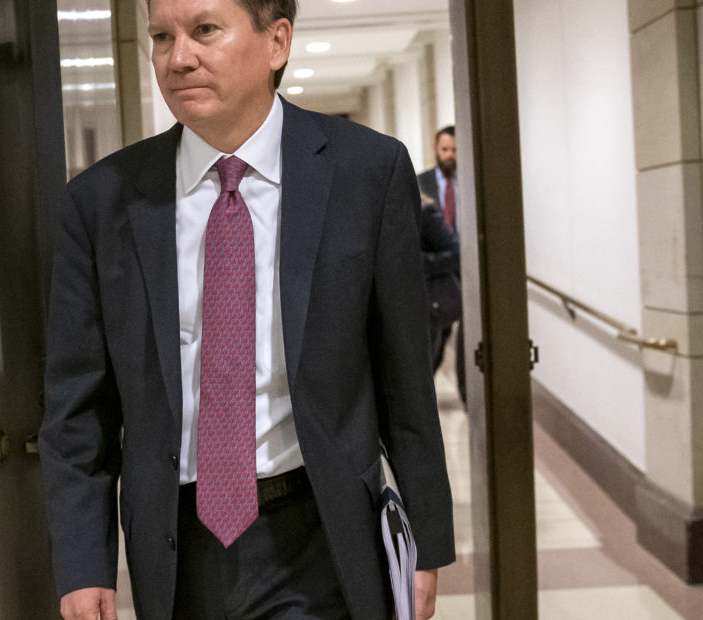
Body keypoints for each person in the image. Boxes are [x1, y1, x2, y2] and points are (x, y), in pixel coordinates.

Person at [39, 0, 455, 618]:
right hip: (178, 545)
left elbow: (404, 378)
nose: (178, 58)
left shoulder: (366, 172)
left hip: (320, 530)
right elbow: (77, 409)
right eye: (161, 37)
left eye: (204, 30)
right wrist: (81, 563)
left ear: (276, 42)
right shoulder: (101, 202)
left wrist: (427, 540)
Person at [417, 127, 465, 403]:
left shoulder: (469, 181)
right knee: (437, 332)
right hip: (435, 278)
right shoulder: (421, 184)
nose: (449, 156)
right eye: (445, 150)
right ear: (436, 149)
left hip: (459, 265)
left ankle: (466, 393)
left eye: (455, 150)